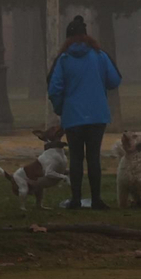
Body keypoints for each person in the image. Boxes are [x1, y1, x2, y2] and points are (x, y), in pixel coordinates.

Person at [48, 15, 122, 210]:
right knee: (94, 157)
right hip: (97, 115)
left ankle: (76, 200)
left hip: (73, 117)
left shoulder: (63, 60)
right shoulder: (99, 55)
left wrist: (60, 108)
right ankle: (97, 199)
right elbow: (114, 80)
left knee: (76, 158)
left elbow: (54, 89)